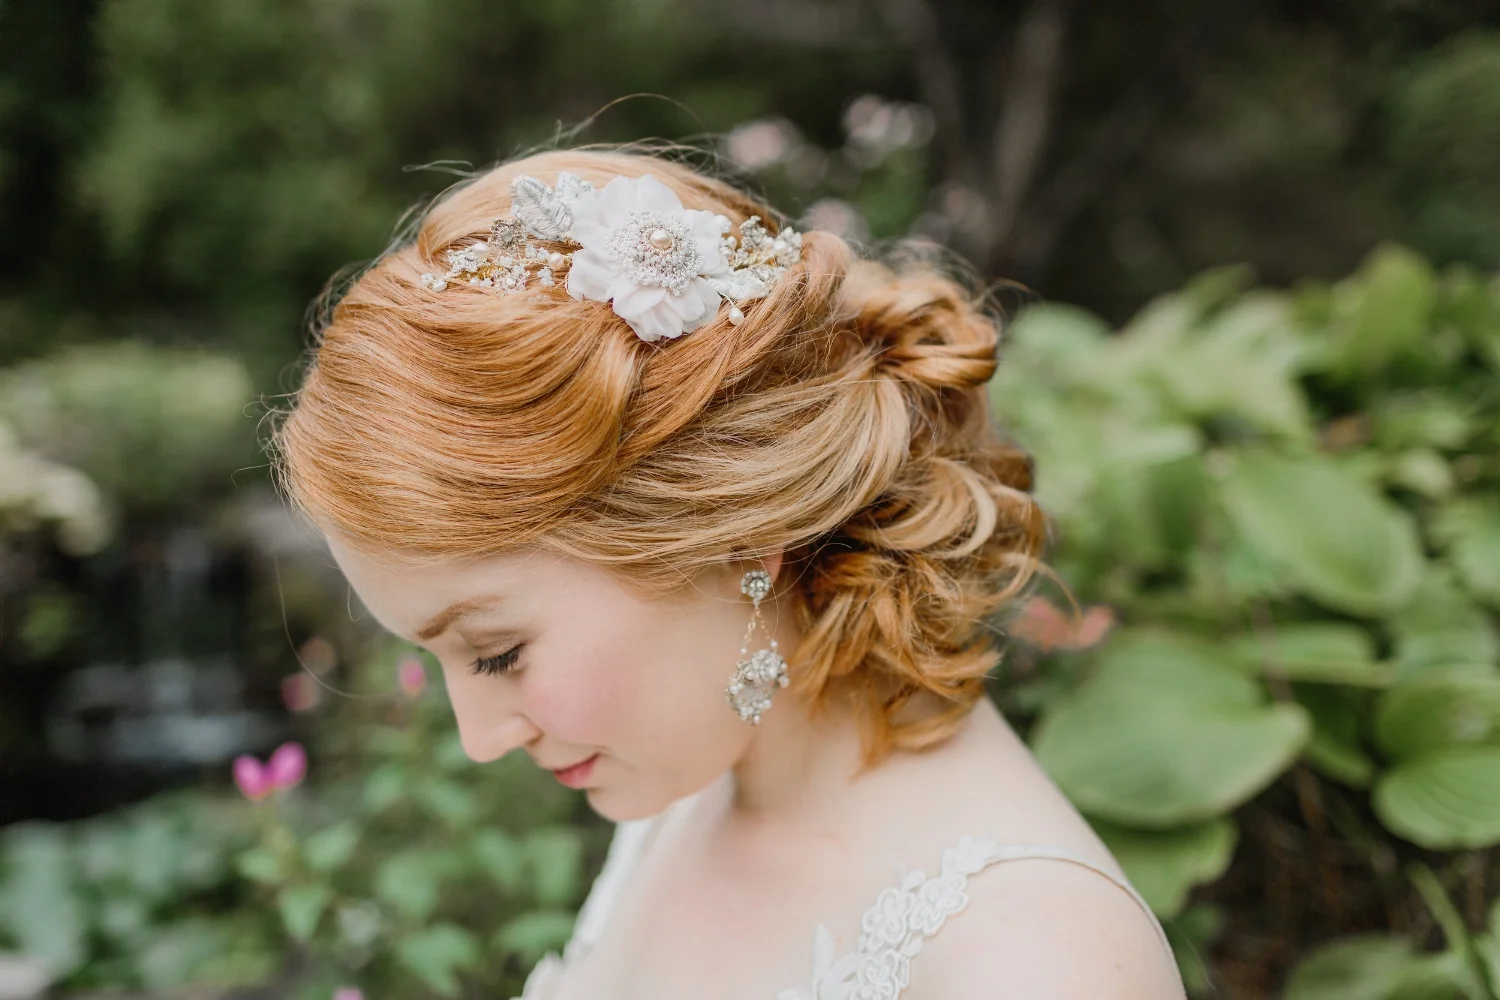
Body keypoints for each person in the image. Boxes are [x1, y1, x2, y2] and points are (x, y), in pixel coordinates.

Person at [272, 147, 1187, 1000]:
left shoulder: (1036, 963)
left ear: (733, 528)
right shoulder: (692, 778)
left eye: (498, 652)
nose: (478, 738)